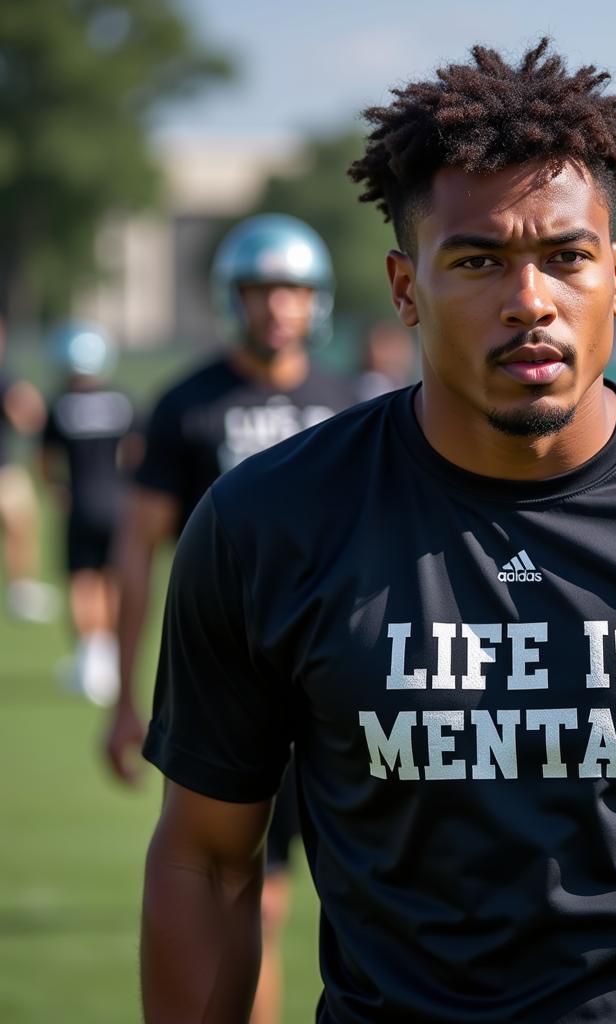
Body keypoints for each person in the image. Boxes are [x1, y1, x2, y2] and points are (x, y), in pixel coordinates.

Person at [140, 41, 616, 1024]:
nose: (529, 300)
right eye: (477, 260)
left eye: (566, 256)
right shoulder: (267, 521)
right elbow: (207, 860)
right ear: (403, 286)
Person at [106, 213, 355, 1024]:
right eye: (260, 289)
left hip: (347, 678)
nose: (277, 306)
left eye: (292, 289)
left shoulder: (348, 402)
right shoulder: (187, 405)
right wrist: (121, 695)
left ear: (316, 300)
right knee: (252, 893)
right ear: (231, 298)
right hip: (237, 681)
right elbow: (138, 549)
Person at [39, 321, 140, 704]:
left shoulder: (61, 405)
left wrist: (56, 491)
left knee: (82, 579)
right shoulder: (122, 401)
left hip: (80, 502)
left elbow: (45, 461)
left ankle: (89, 660)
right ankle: (110, 659)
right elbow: (137, 453)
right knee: (114, 576)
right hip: (117, 502)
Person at [0, 315, 59, 623]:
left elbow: (27, 416)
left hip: (4, 469)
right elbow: (28, 415)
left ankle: (22, 591)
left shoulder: (6, 377)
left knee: (22, 526)